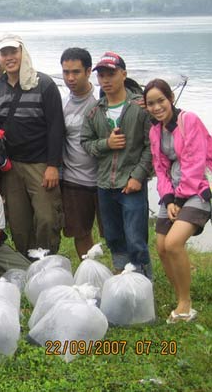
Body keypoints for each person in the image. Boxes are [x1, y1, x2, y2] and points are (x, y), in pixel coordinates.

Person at [0, 34, 65, 255]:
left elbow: (56, 127)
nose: (9, 57)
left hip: (41, 164)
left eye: (13, 52)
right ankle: (26, 262)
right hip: (10, 167)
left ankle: (47, 261)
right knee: (18, 221)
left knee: (46, 217)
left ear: (22, 53)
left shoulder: (43, 84)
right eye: (4, 53)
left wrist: (53, 165)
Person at [80, 51, 153, 277]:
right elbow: (86, 142)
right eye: (101, 75)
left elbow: (151, 146)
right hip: (104, 184)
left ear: (123, 74)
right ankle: (121, 274)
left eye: (111, 74)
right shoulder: (94, 111)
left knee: (135, 236)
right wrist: (106, 144)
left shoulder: (140, 109)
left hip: (131, 183)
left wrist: (138, 177)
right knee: (112, 235)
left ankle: (142, 279)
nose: (106, 80)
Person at [144, 78, 211, 323]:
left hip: (196, 190)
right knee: (161, 247)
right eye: (150, 103)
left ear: (170, 98)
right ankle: (178, 294)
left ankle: (185, 303)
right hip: (172, 193)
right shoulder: (155, 131)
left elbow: (194, 163)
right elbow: (159, 168)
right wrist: (169, 198)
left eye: (160, 100)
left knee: (173, 243)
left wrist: (180, 200)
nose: (157, 107)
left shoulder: (188, 120)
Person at [60, 47, 101, 257]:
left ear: (88, 71)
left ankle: (123, 277)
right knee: (80, 233)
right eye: (66, 72)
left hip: (105, 180)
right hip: (74, 179)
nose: (70, 78)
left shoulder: (101, 100)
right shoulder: (62, 103)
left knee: (113, 233)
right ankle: (89, 272)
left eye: (75, 72)